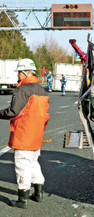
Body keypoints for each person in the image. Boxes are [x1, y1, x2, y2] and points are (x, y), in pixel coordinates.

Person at [0, 58, 49, 209]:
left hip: (23, 134)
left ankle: (23, 199)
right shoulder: (41, 90)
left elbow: (14, 111)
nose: (18, 75)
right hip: (36, 135)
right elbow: (45, 116)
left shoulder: (23, 90)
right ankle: (39, 194)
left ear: (27, 72)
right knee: (33, 164)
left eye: (19, 72)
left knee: (22, 166)